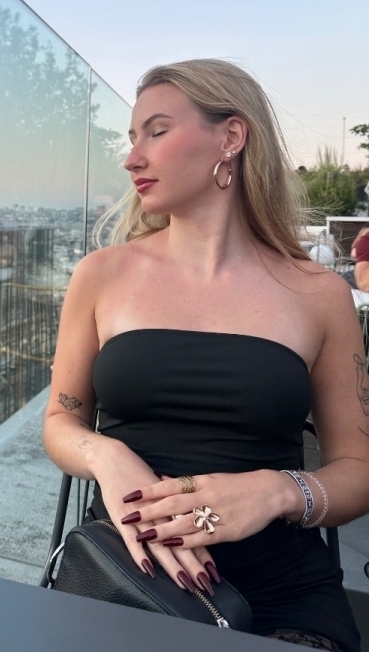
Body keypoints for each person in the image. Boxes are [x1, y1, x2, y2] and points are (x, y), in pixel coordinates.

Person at [43, 59, 368, 651]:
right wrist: (108, 456)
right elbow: (61, 420)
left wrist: (276, 491)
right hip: (127, 577)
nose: (132, 158)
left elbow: (359, 470)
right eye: (132, 137)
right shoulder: (102, 275)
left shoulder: (319, 294)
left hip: (282, 591)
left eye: (156, 131)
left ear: (231, 137)